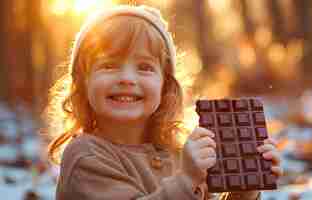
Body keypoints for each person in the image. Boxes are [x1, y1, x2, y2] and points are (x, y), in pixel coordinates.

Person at [45, 5, 283, 200]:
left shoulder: (177, 153)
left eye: (145, 67)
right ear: (83, 83)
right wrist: (187, 181)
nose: (127, 79)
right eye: (109, 65)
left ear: (165, 86)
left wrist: (245, 191)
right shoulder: (86, 157)